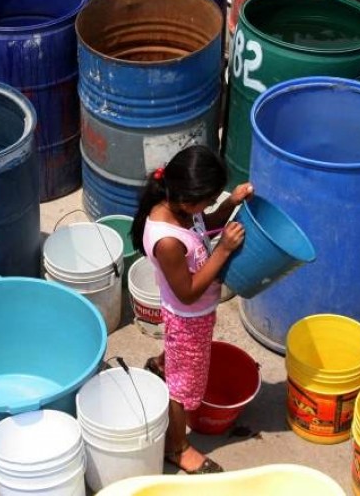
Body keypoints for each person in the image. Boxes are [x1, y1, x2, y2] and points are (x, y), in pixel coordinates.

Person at [131, 145, 253, 475]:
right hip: (188, 316)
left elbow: (205, 224)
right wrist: (224, 250)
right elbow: (187, 293)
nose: (210, 206)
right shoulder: (167, 240)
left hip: (194, 316)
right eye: (209, 199)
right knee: (182, 390)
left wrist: (230, 203)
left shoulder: (183, 208)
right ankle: (177, 448)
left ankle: (162, 363)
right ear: (188, 198)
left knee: (180, 358)